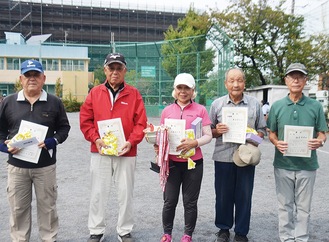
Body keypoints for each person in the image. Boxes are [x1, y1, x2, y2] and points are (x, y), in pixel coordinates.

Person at [0, 59, 71, 242]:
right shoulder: (8, 102)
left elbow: (64, 128)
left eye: (36, 75)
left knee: (47, 208)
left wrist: (52, 141)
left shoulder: (54, 102)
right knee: (18, 209)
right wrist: (5, 146)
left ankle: (49, 239)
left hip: (45, 167)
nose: (32, 78)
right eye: (28, 75)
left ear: (43, 78)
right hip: (17, 167)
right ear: (21, 79)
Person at [80, 53, 147, 242]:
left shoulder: (133, 94)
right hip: (100, 151)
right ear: (105, 70)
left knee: (125, 193)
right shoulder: (94, 93)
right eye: (111, 68)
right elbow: (85, 121)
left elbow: (141, 123)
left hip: (126, 152)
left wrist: (131, 142)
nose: (115, 72)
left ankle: (124, 230)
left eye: (119, 68)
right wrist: (95, 139)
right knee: (98, 192)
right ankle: (96, 230)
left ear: (125, 71)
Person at [267, 63, 328, 242]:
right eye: (292, 76)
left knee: (303, 207)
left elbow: (322, 132)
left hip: (307, 165)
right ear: (286, 80)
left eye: (300, 76)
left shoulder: (315, 106)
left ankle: (301, 238)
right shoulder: (277, 106)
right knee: (284, 205)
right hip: (283, 164)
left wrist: (320, 140)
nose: (296, 80)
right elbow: (271, 133)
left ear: (305, 80)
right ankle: (286, 238)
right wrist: (277, 143)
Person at [209, 68, 266, 242]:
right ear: (226, 83)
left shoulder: (255, 104)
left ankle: (241, 232)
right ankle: (224, 229)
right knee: (223, 195)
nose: (236, 84)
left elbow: (262, 130)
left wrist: (253, 138)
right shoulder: (217, 104)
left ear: (244, 83)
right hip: (223, 157)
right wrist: (217, 130)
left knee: (244, 195)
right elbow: (208, 131)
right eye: (232, 80)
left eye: (240, 80)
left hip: (246, 156)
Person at [157, 73, 212, 242]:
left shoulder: (201, 110)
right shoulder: (167, 111)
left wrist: (194, 143)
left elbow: (208, 135)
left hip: (193, 163)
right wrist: (156, 141)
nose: (183, 91)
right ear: (175, 90)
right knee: (169, 201)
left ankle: (187, 235)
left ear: (192, 90)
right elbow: (161, 135)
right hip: (172, 163)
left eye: (187, 88)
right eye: (179, 88)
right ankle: (167, 233)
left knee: (190, 202)